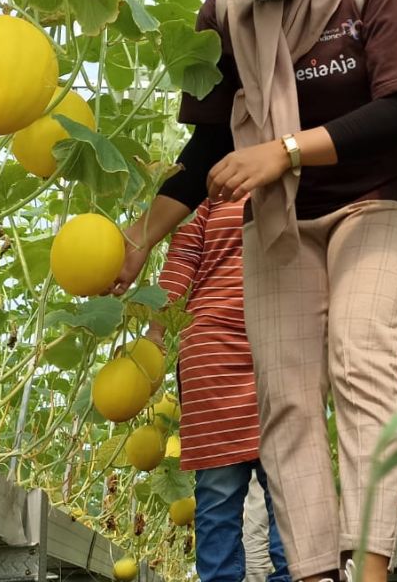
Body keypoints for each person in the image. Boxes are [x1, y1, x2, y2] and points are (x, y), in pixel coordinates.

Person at [112, 0, 397, 582]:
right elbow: (204, 154)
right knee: (286, 399)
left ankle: (371, 569)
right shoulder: (227, 15)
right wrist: (139, 240)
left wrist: (284, 151)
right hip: (281, 224)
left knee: (363, 360)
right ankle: (315, 573)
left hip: (376, 204)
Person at [154, 196, 290, 582]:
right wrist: (155, 329)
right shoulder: (209, 195)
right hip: (214, 352)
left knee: (290, 488)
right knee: (217, 493)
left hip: (284, 347)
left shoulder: (299, 178)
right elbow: (181, 260)